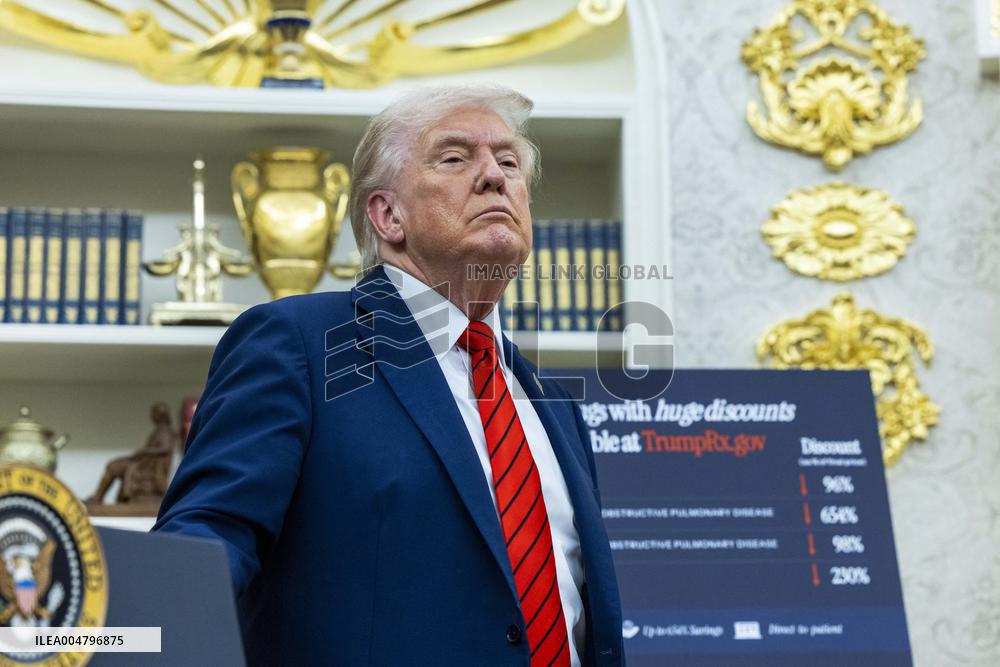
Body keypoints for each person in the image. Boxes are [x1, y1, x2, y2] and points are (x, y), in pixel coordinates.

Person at [153, 85, 624, 666]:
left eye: (509, 162)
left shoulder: (555, 404)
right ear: (388, 215)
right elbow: (204, 542)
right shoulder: (298, 344)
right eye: (454, 158)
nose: (493, 177)